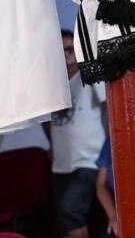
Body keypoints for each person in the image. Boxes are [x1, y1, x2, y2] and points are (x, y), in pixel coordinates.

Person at [43, 29, 107, 238]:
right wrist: (52, 145)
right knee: (62, 220)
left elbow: (109, 110)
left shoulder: (90, 75)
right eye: (61, 50)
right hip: (61, 164)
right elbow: (45, 119)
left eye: (70, 49)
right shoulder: (54, 84)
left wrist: (111, 151)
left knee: (70, 212)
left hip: (88, 160)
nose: (67, 54)